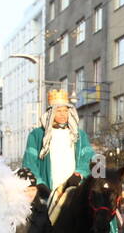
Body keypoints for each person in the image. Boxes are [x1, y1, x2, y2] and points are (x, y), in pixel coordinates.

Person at [21, 89, 96, 222]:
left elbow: (89, 157)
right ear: (51, 112)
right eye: (59, 111)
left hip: (74, 189)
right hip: (48, 191)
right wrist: (40, 184)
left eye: (66, 111)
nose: (63, 114)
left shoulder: (79, 135)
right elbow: (29, 163)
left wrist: (79, 173)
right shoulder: (37, 135)